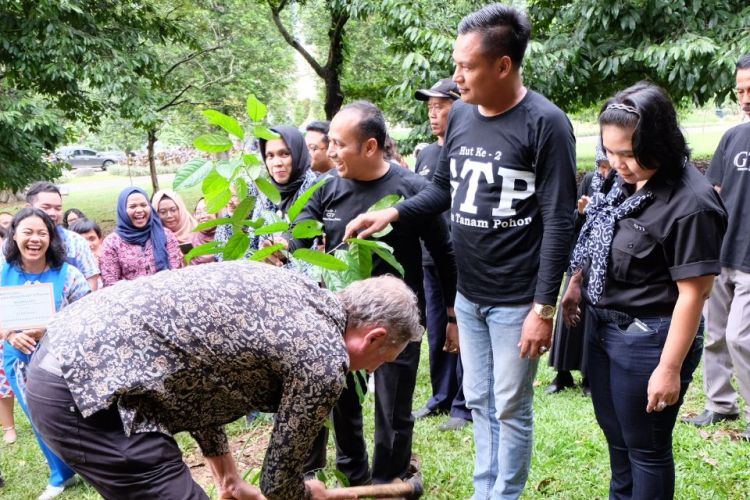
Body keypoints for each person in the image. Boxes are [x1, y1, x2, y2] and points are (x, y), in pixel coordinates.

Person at [345, 5, 577, 498]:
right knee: (477, 397)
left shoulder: (547, 124)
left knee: (511, 404)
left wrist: (544, 308)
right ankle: (483, 489)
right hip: (470, 294)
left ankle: (503, 495)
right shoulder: (464, 116)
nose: (457, 77)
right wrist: (392, 213)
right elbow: (443, 190)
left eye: (466, 66)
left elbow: (559, 219)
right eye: (456, 64)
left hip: (518, 298)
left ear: (503, 66)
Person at [25, 261, 422, 500]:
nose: (373, 371)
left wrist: (227, 476)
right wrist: (305, 492)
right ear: (374, 337)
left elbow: (198, 377)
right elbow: (277, 482)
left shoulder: (297, 290)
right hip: (84, 392)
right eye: (382, 360)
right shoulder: (322, 358)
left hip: (64, 362)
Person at [273, 101, 457, 487]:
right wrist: (285, 243)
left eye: (340, 144)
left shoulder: (412, 191)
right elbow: (302, 227)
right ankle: (354, 477)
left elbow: (445, 255)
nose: (331, 152)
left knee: (394, 408)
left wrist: (453, 316)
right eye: (330, 144)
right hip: (341, 320)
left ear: (370, 147)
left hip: (397, 323)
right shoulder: (327, 188)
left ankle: (387, 481)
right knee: (343, 401)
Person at [561, 82, 727, 498]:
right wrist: (578, 282)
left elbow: (694, 294)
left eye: (629, 154)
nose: (617, 163)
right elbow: (602, 234)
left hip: (649, 340)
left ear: (660, 142)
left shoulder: (692, 204)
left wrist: (668, 369)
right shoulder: (622, 182)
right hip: (604, 329)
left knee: (647, 450)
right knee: (617, 441)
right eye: (610, 151)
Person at [1, 208, 90, 499]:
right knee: (39, 418)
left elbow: (87, 316)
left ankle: (94, 464)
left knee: (76, 415)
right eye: (27, 232)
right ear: (14, 235)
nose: (35, 239)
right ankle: (61, 474)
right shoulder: (2, 272)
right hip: (19, 361)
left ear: (51, 238)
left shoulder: (69, 274)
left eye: (42, 233)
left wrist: (49, 329)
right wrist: (10, 333)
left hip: (63, 361)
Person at [683, 53, 750, 440]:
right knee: (715, 334)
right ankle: (720, 404)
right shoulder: (733, 136)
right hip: (722, 252)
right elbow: (716, 193)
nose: (744, 97)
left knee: (743, 337)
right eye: (740, 89)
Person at [410, 78, 471, 432]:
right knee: (437, 330)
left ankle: (464, 404)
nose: (434, 115)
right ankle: (441, 396)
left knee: (462, 326)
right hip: (429, 259)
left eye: (441, 107)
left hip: (462, 257)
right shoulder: (427, 154)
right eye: (430, 108)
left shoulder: (468, 149)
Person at [546, 143, 615, 396]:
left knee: (590, 316)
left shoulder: (620, 184)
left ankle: (589, 375)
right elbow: (573, 219)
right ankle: (562, 373)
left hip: (603, 259)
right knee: (567, 314)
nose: (604, 172)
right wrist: (582, 212)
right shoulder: (589, 180)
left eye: (609, 167)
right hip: (579, 255)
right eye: (601, 166)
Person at [12, 182, 100, 291]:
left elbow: (91, 279)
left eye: (58, 208)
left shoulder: (75, 242)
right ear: (28, 208)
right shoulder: (12, 243)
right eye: (46, 207)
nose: (53, 213)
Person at [99, 187, 183, 286]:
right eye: (132, 206)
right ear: (122, 210)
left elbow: (175, 270)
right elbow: (110, 282)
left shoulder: (166, 234)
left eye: (143, 205)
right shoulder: (112, 242)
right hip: (129, 297)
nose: (139, 210)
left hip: (166, 292)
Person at [189, 197, 217, 265]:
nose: (202, 216)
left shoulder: (226, 233)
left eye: (207, 210)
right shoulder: (191, 240)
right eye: (198, 213)